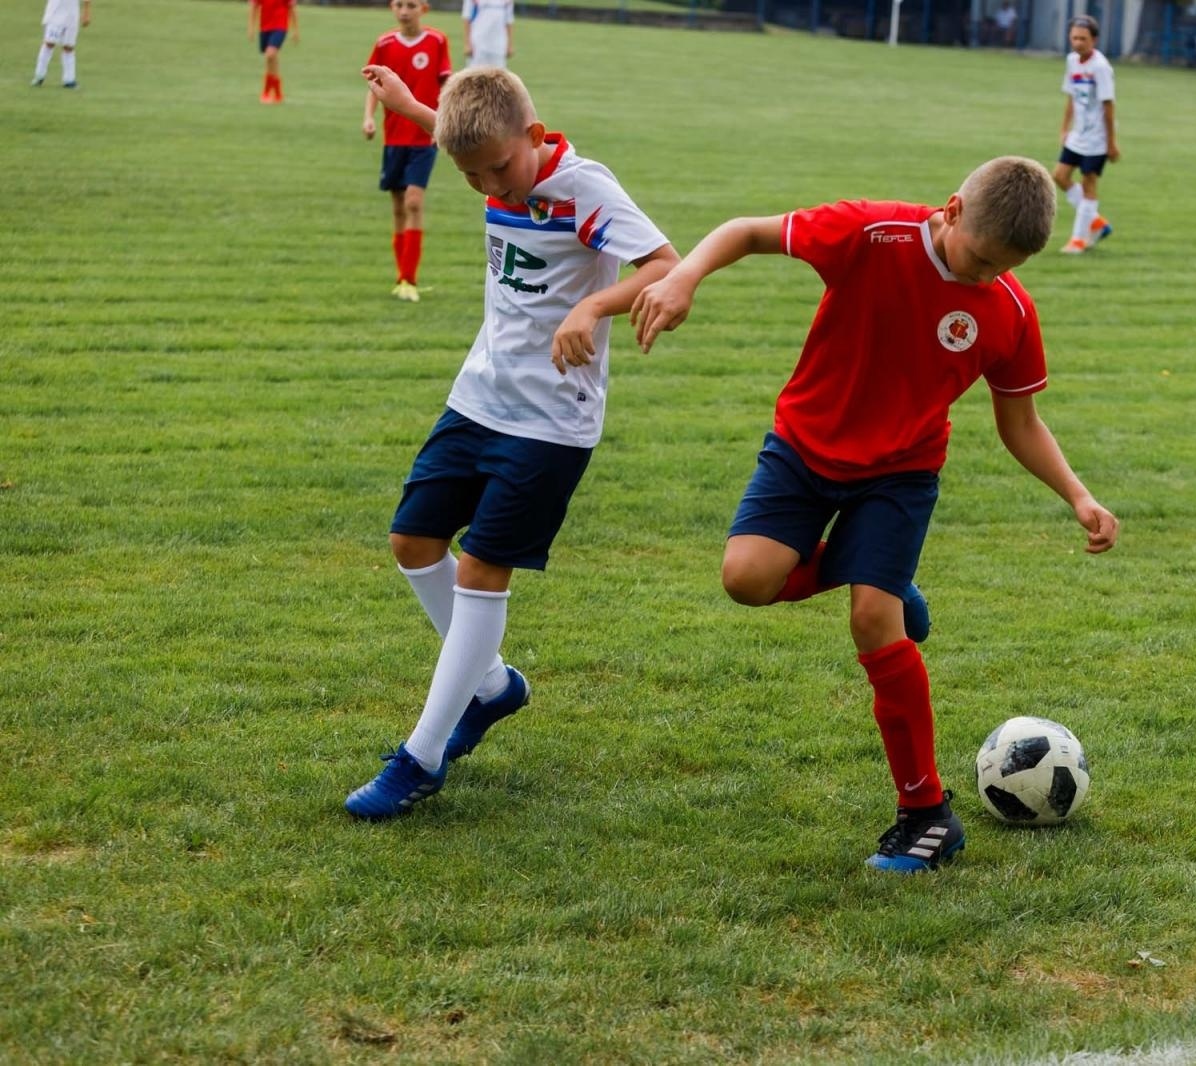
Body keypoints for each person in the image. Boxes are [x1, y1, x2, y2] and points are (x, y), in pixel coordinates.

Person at [628, 157, 1120, 873]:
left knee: (873, 620)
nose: (987, 277)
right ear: (952, 210)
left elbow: (1020, 422)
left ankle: (927, 815)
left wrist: (1078, 495)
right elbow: (747, 231)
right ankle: (877, 572)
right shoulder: (871, 234)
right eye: (981, 259)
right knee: (747, 580)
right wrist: (684, 276)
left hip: (901, 473)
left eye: (1004, 269)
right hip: (803, 447)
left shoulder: (1009, 310)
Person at [344, 65, 678, 820]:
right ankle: (493, 686)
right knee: (412, 543)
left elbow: (666, 264)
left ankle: (421, 757)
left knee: (483, 569)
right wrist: (413, 107)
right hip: (479, 396)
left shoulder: (583, 188)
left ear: (534, 136)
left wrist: (593, 306)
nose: (490, 185)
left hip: (552, 418)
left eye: (499, 168)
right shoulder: (494, 159)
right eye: (471, 176)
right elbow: (472, 139)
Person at [363, 0, 451, 302]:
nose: (404, 11)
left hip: (424, 138)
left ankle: (409, 279)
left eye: (411, 5)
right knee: (398, 207)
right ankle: (400, 277)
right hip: (394, 138)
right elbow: (374, 85)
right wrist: (368, 118)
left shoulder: (437, 40)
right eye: (399, 5)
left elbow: (445, 86)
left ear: (423, 8)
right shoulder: (384, 43)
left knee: (414, 202)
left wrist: (442, 124)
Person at [1054, 15, 1118, 254]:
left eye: (1083, 39)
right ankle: (1096, 222)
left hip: (1097, 138)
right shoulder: (1072, 61)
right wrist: (1064, 128)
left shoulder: (1100, 67)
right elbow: (1071, 97)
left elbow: (1108, 105)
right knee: (1060, 176)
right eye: (1074, 38)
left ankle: (1078, 240)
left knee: (1089, 183)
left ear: (1094, 40)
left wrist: (1111, 142)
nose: (1078, 43)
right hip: (1078, 134)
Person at [31, 0, 90, 89]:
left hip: (72, 15)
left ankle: (69, 80)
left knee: (69, 47)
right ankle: (39, 76)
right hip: (55, 13)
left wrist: (86, 13)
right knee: (49, 43)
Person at [248, 0, 298, 104]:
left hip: (280, 27)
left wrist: (295, 30)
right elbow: (254, 7)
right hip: (264, 28)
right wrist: (251, 28)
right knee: (271, 59)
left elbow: (292, 8)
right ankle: (278, 93)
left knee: (270, 54)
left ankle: (266, 93)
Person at [462, 0, 514, 69]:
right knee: (475, 73)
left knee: (498, 73)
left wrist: (509, 45)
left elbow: (509, 21)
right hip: (477, 44)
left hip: (499, 45)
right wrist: (467, 44)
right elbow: (467, 18)